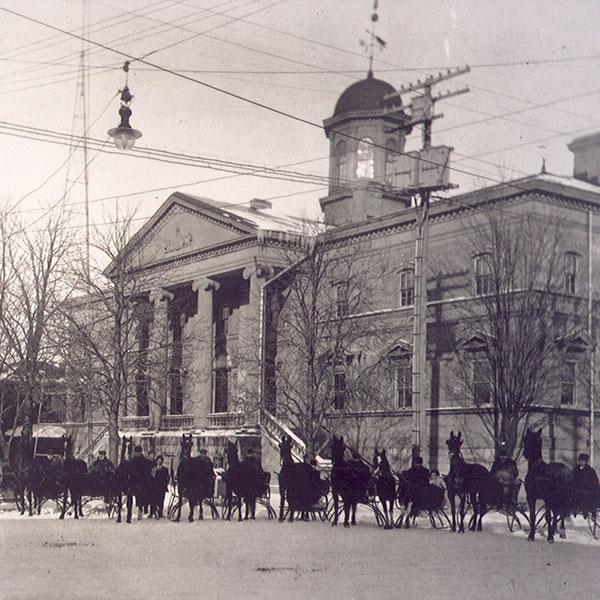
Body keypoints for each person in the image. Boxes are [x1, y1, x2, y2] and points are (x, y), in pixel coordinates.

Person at [128, 445, 154, 520]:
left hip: (142, 481)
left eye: (139, 452)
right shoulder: (131, 461)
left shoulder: (145, 461)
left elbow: (148, 470)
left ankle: (141, 509)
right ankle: (129, 513)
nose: (138, 454)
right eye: (136, 452)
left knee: (141, 493)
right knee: (129, 494)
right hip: (133, 481)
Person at [151, 455, 170, 519]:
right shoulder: (153, 469)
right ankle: (153, 512)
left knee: (161, 500)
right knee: (154, 499)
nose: (159, 462)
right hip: (154, 487)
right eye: (158, 461)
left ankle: (160, 512)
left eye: (160, 461)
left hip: (162, 487)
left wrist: (166, 483)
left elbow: (167, 477)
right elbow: (151, 478)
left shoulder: (165, 469)